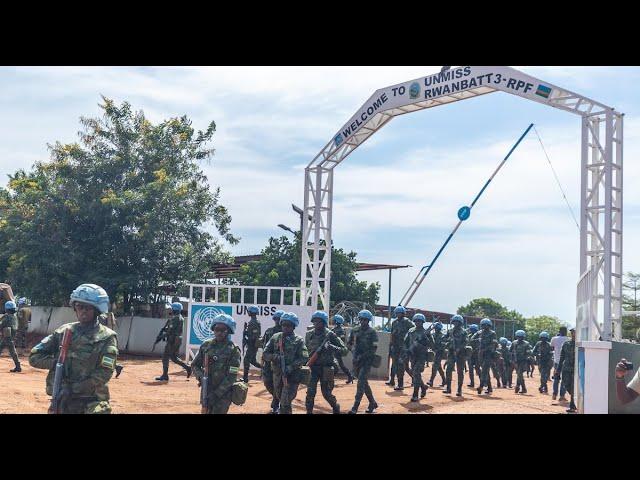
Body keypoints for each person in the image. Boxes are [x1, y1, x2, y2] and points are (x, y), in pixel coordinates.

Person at [29, 284, 118, 414]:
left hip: (92, 401)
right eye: (79, 307)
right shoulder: (63, 332)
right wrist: (56, 363)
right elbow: (34, 357)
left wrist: (73, 388)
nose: (83, 311)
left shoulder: (107, 337)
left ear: (97, 310)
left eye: (88, 308)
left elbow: (104, 373)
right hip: (63, 400)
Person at [191, 313, 241, 414]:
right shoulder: (206, 346)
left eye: (223, 330)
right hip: (206, 390)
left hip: (223, 395)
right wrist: (201, 377)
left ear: (229, 331)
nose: (219, 333)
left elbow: (232, 376)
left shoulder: (234, 350)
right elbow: (194, 365)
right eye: (217, 329)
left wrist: (216, 394)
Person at [262, 312, 308, 414]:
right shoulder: (275, 337)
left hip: (292, 377)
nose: (285, 327)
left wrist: (291, 367)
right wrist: (275, 357)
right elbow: (265, 353)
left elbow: (304, 357)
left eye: (288, 325)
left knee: (285, 402)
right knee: (280, 398)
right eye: (283, 325)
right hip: (277, 375)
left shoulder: (298, 340)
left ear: (293, 326)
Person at [304, 310, 347, 414]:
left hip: (326, 368)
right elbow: (305, 349)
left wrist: (332, 347)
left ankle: (335, 406)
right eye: (315, 321)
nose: (316, 323)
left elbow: (344, 350)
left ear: (324, 322)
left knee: (326, 393)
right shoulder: (309, 334)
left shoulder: (330, 334)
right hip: (313, 367)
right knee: (310, 392)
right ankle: (309, 411)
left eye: (319, 321)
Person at [347, 309, 379, 414]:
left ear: (368, 320)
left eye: (365, 320)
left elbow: (374, 347)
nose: (363, 321)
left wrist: (363, 356)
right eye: (361, 319)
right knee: (363, 383)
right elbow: (349, 344)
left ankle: (355, 407)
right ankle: (372, 402)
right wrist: (353, 352)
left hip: (367, 361)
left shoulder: (372, 332)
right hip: (356, 360)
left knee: (360, 382)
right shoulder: (354, 330)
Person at [155, 302, 192, 381]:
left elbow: (170, 331)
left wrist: (161, 337)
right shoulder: (179, 317)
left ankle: (165, 375)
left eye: (172, 308)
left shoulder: (176, 318)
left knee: (165, 357)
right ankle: (188, 368)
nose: (171, 309)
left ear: (174, 309)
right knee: (174, 358)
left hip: (173, 340)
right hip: (176, 339)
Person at [386, 305, 414, 391]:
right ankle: (392, 380)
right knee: (394, 364)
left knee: (402, 366)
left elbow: (414, 330)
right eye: (397, 313)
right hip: (395, 346)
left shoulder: (407, 322)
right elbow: (392, 334)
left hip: (404, 347)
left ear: (403, 313)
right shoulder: (394, 322)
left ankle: (401, 384)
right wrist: (390, 345)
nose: (398, 314)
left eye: (400, 313)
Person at [404, 313, 431, 402]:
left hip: (421, 356)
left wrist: (426, 338)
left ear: (423, 322)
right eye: (416, 321)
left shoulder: (426, 332)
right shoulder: (411, 331)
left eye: (419, 321)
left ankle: (415, 394)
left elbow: (432, 344)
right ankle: (423, 387)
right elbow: (406, 341)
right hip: (412, 355)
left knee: (416, 372)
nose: (418, 323)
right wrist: (406, 350)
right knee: (416, 374)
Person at [261, 309, 284, 414]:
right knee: (267, 382)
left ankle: (276, 403)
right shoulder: (269, 331)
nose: (277, 321)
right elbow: (264, 346)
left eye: (279, 319)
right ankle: (276, 398)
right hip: (269, 361)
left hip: (279, 363)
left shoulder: (286, 332)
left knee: (279, 384)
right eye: (276, 319)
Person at [443, 315, 467, 397]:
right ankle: (448, 388)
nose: (455, 323)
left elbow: (466, 342)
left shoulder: (464, 332)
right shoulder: (450, 331)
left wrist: (459, 348)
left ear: (460, 323)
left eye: (457, 322)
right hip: (451, 352)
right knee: (448, 369)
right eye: (454, 322)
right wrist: (446, 341)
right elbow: (444, 338)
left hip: (460, 354)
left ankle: (459, 389)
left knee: (460, 372)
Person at [475, 318, 498, 395]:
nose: (484, 326)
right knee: (485, 371)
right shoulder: (479, 333)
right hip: (480, 354)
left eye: (486, 325)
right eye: (483, 325)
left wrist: (484, 349)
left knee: (484, 370)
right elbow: (472, 339)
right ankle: (490, 387)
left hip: (488, 354)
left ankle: (481, 386)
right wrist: (477, 339)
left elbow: (493, 344)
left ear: (489, 325)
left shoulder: (492, 333)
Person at [557, 328, 577, 412]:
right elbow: (562, 357)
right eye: (572, 332)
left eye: (574, 332)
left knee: (573, 386)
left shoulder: (581, 344)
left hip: (576, 369)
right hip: (566, 368)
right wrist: (558, 369)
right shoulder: (566, 344)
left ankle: (572, 405)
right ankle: (574, 398)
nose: (573, 334)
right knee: (566, 384)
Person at [242, 305, 262, 383]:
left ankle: (245, 378)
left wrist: (247, 340)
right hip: (252, 344)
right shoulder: (252, 322)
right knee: (253, 361)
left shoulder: (254, 322)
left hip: (253, 345)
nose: (248, 312)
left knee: (246, 360)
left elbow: (255, 335)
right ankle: (265, 369)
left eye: (249, 311)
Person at [331, 314, 354, 384]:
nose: (333, 321)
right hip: (332, 348)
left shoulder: (341, 330)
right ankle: (350, 376)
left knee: (338, 364)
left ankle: (349, 376)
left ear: (337, 321)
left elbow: (342, 341)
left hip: (337, 349)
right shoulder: (334, 329)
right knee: (338, 364)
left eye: (334, 320)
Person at [0, 300, 21, 372]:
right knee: (13, 351)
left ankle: (18, 366)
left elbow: (1, 324)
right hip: (11, 336)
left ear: (7, 309)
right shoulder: (15, 317)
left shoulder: (6, 317)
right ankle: (18, 366)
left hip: (6, 337)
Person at [550, 326, 569, 401]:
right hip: (565, 362)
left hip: (556, 361)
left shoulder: (554, 339)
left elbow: (552, 347)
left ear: (559, 331)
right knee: (563, 379)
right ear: (566, 331)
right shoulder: (568, 339)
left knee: (556, 378)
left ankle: (554, 394)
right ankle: (562, 396)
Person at [511, 330, 532, 394]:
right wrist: (512, 359)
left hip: (523, 361)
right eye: (518, 337)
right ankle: (522, 388)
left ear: (523, 337)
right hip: (516, 361)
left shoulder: (526, 344)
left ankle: (520, 387)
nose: (520, 338)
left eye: (521, 337)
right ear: (516, 336)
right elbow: (510, 351)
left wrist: (527, 357)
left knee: (519, 374)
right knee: (519, 375)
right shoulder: (514, 343)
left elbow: (529, 352)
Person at [428, 321, 446, 387]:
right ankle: (444, 380)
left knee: (434, 366)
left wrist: (437, 348)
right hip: (435, 352)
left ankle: (431, 381)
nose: (435, 329)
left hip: (439, 352)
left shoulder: (442, 335)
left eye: (436, 328)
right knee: (439, 367)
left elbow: (443, 345)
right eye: (435, 328)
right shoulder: (434, 335)